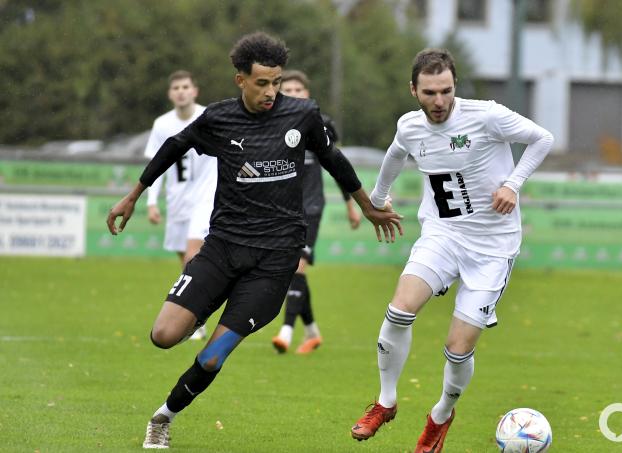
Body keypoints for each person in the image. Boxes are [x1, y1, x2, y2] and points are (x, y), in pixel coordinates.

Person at [106, 31, 402, 449]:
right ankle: (200, 312)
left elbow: (334, 159)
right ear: (240, 80)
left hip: (275, 259)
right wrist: (133, 195)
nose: (271, 92)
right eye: (261, 82)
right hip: (223, 247)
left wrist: (367, 205)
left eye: (276, 82)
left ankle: (162, 417)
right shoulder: (220, 119)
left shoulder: (302, 115)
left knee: (211, 356)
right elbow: (175, 145)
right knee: (163, 335)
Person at [349, 48, 553, 452]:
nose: (439, 101)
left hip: (493, 248)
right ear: (414, 90)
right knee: (399, 308)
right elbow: (394, 154)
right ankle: (385, 402)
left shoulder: (486, 115)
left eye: (446, 91)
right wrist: (377, 197)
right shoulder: (410, 126)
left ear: (454, 86)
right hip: (442, 235)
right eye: (429, 92)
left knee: (459, 350)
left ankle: (440, 416)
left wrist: (513, 184)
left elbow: (542, 138)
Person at [271, 69, 361, 355]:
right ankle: (312, 332)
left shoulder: (322, 125)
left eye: (300, 90)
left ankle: (285, 331)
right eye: (290, 90)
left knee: (297, 265)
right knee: (291, 268)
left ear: (308, 94)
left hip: (311, 206)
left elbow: (337, 166)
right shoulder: (272, 123)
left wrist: (350, 204)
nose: (295, 95)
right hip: (282, 208)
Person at [144, 70, 215, 340]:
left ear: (194, 90)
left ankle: (191, 321)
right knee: (185, 266)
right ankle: (194, 317)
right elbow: (156, 166)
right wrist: (152, 202)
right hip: (177, 202)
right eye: (176, 87)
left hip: (206, 199)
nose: (181, 91)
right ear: (170, 94)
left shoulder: (209, 117)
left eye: (186, 86)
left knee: (192, 258)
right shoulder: (162, 124)